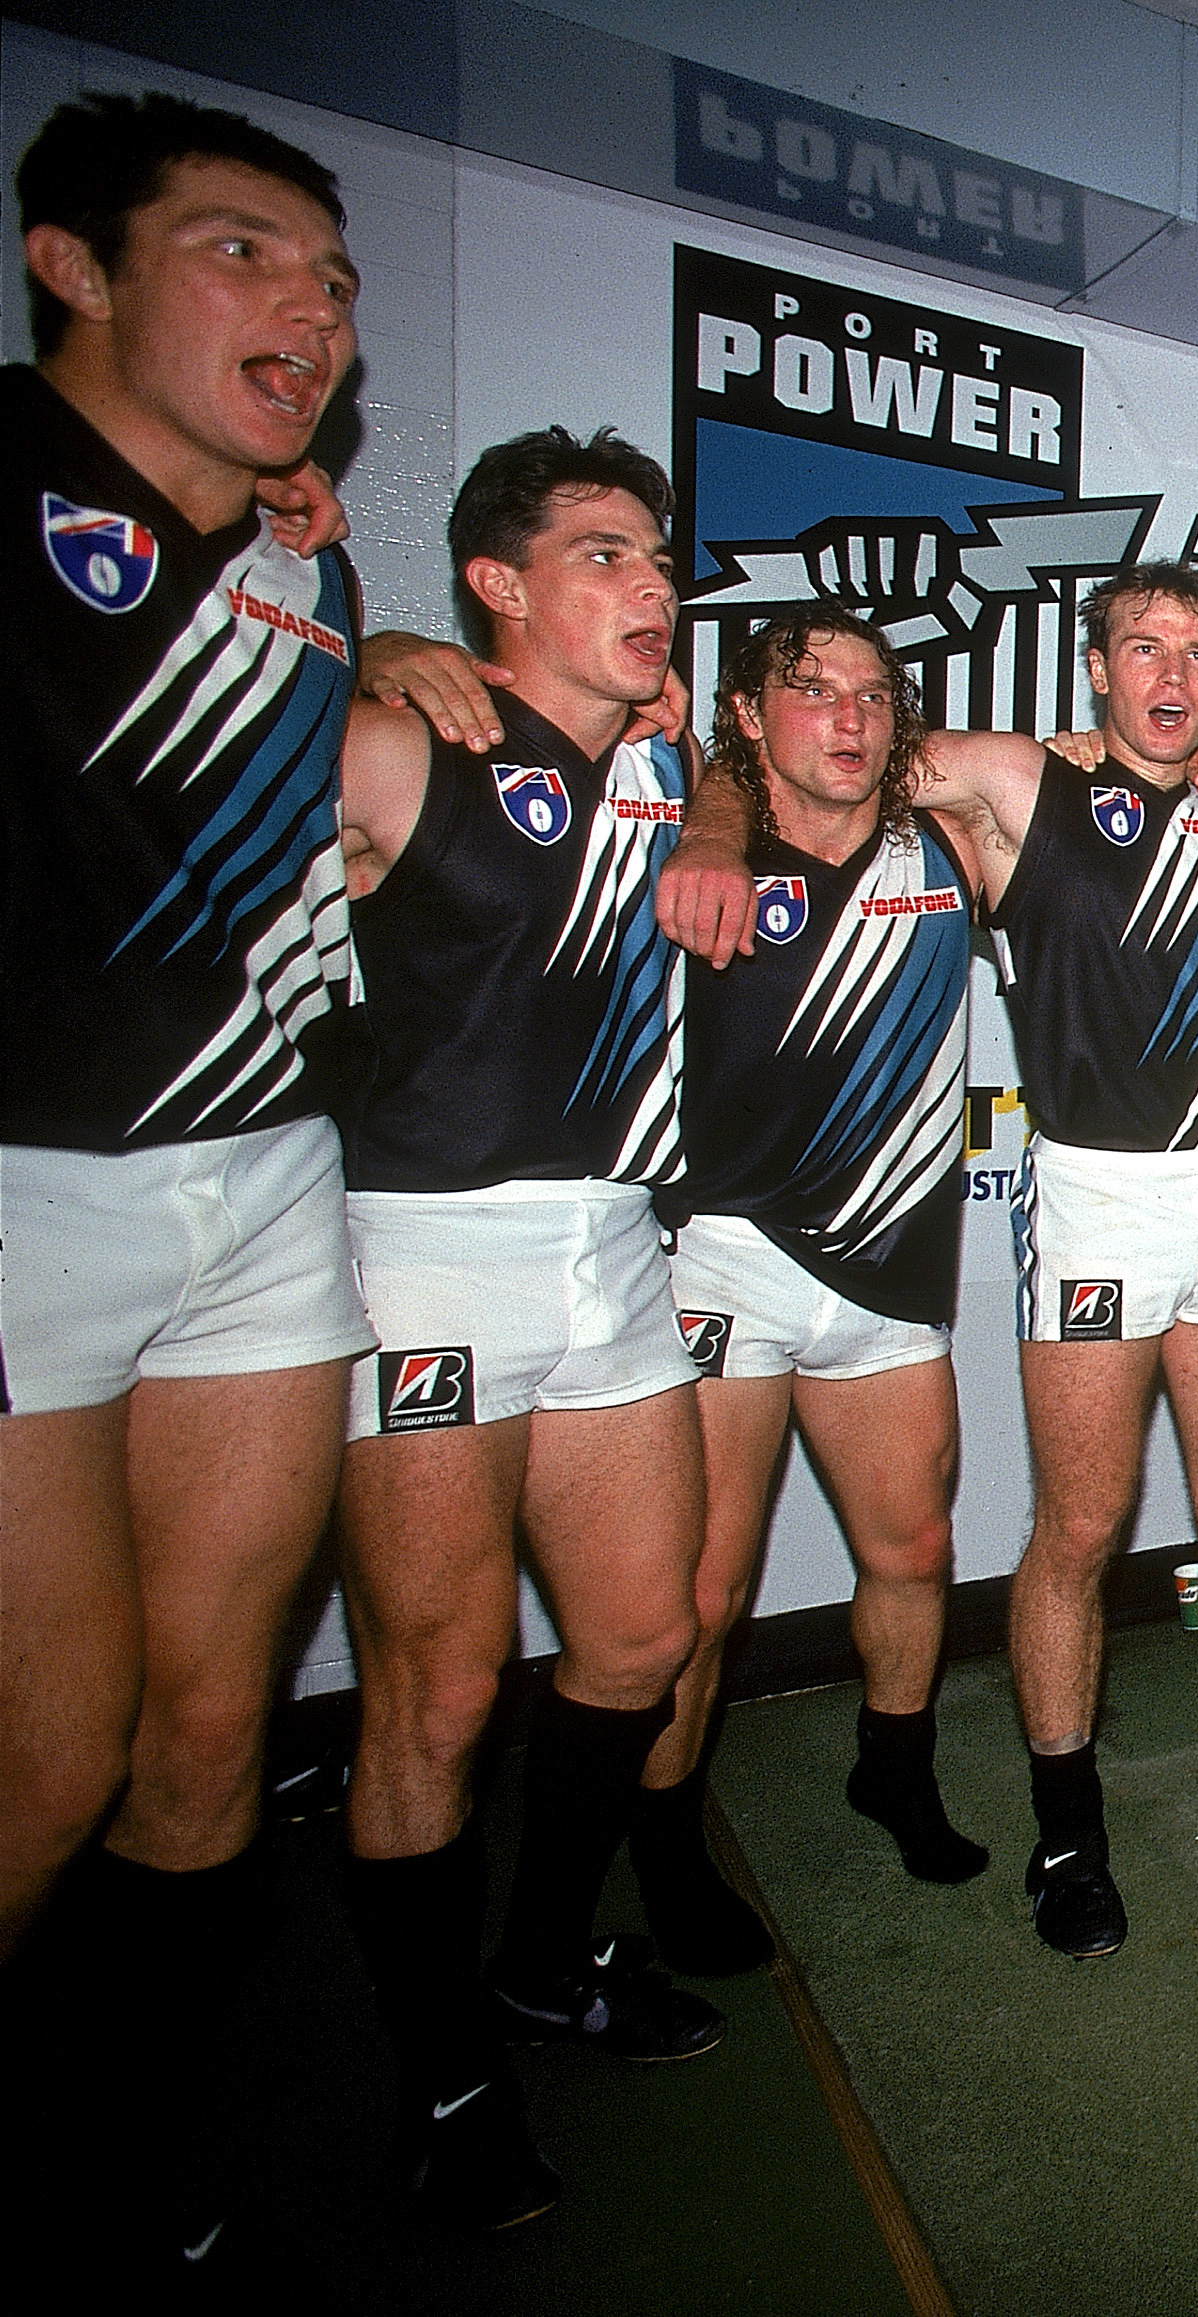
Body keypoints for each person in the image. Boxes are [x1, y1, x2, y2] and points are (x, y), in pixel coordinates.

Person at [661, 562, 1198, 1953]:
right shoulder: (1021, 782)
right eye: (1145, 646)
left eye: (1197, 650)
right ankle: (1067, 1831)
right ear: (1095, 669)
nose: (1173, 671)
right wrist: (716, 830)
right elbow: (813, 755)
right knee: (1078, 1531)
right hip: (1093, 1203)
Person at [0, 90, 371, 2275]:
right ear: (75, 262)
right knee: (46, 1761)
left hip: (263, 1184)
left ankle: (122, 2150)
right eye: (241, 252)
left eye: (326, 279)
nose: (305, 308)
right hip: (26, 1186)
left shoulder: (308, 559)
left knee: (211, 1725)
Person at [329, 426, 719, 2229]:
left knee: (639, 1635)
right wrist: (355, 647)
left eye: (655, 559)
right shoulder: (406, 733)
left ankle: (545, 1956)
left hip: (614, 1250)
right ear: (493, 583)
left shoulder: (656, 761)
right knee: (438, 1686)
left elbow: (710, 771)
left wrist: (706, 794)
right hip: (423, 1260)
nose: (649, 587)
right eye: (603, 557)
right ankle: (444, 2078)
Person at [624, 606, 989, 1982]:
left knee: (912, 1555)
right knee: (700, 1594)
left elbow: (1069, 778)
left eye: (870, 695)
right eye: (810, 689)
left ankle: (892, 1772)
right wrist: (716, 818)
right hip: (723, 1258)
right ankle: (665, 1844)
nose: (845, 715)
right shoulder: (685, 834)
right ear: (747, 715)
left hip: (891, 1274)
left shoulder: (950, 849)